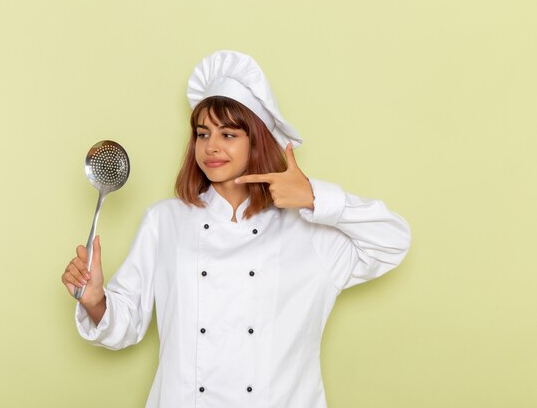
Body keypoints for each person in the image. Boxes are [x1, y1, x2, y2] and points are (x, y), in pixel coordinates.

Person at [61, 50, 411, 408]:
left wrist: (312, 197)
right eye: (202, 133)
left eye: (228, 134)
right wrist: (96, 301)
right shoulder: (165, 221)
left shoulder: (309, 231)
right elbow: (125, 326)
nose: (211, 146)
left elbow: (393, 241)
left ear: (257, 141)